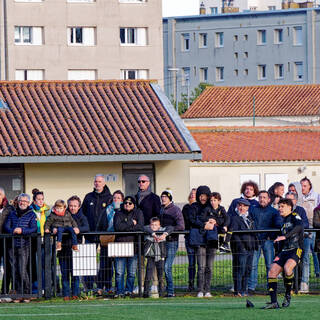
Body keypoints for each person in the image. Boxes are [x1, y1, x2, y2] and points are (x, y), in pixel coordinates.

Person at [262, 198, 304, 309]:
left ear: (290, 207)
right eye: (279, 206)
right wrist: (278, 253)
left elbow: (300, 226)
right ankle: (274, 302)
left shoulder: (295, 216)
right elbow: (281, 241)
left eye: (282, 206)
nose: (280, 208)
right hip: (284, 251)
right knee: (272, 272)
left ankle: (288, 294)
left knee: (287, 268)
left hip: (295, 249)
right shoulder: (282, 222)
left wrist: (285, 236)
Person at [248, 190, 282, 294]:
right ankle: (251, 287)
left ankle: (270, 287)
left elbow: (278, 224)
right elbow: (250, 222)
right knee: (253, 264)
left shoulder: (274, 211)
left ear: (269, 199)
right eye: (260, 197)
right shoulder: (253, 210)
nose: (262, 199)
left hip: (268, 241)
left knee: (270, 264)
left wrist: (271, 235)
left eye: (264, 197)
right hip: (256, 240)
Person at [4, 193, 37, 298]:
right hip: (11, 245)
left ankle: (27, 293)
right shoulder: (12, 213)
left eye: (25, 201)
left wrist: (22, 230)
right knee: (14, 271)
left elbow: (33, 229)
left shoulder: (32, 214)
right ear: (18, 202)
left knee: (22, 270)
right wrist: (13, 230)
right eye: (21, 201)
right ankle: (18, 294)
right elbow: (6, 226)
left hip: (24, 245)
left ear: (28, 203)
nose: (23, 203)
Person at [58, 196, 89, 300]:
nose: (72, 208)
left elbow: (87, 227)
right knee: (65, 273)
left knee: (75, 273)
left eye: (75, 206)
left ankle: (75, 294)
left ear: (79, 206)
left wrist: (79, 229)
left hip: (76, 250)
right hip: (63, 249)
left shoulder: (82, 217)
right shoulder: (62, 215)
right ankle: (66, 294)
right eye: (70, 205)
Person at [189, 185, 216, 298]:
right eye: (200, 195)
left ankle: (208, 290)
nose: (202, 198)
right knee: (201, 267)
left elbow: (222, 218)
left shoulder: (213, 205)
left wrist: (215, 221)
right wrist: (204, 225)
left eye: (204, 195)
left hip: (212, 239)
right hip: (199, 240)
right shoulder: (193, 207)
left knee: (209, 267)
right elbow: (192, 220)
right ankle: (200, 290)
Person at [114, 196, 144, 297]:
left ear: (134, 205)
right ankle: (119, 291)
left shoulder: (138, 213)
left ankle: (128, 290)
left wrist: (125, 226)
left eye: (130, 203)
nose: (127, 204)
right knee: (119, 272)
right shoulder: (118, 213)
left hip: (133, 246)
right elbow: (118, 227)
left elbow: (140, 227)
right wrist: (131, 223)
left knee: (131, 272)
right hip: (120, 245)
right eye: (126, 203)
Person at [96, 190, 124, 295]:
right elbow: (100, 225)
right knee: (104, 265)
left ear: (122, 199)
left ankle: (114, 288)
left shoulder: (124, 210)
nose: (116, 199)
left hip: (119, 241)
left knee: (118, 267)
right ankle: (100, 287)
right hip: (107, 240)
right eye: (115, 197)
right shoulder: (106, 210)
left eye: (118, 198)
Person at [159, 190, 185, 297]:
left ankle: (170, 291)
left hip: (171, 241)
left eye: (165, 196)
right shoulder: (161, 210)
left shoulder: (176, 210)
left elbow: (181, 226)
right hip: (161, 242)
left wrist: (168, 230)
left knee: (167, 267)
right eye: (162, 196)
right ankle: (162, 290)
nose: (163, 198)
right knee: (161, 266)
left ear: (170, 198)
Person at [229, 198, 258, 297]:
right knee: (239, 269)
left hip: (250, 248)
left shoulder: (250, 218)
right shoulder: (234, 218)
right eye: (240, 205)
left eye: (244, 206)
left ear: (247, 207)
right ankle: (238, 290)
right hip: (241, 249)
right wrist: (241, 246)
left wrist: (255, 245)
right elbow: (234, 234)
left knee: (247, 270)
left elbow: (254, 232)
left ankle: (244, 290)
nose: (241, 208)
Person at [143, 217, 173, 298]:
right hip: (151, 256)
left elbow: (171, 227)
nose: (153, 226)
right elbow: (143, 227)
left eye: (156, 225)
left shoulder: (163, 230)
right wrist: (153, 234)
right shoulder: (147, 230)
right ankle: (145, 293)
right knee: (148, 275)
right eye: (152, 225)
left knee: (160, 275)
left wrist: (164, 234)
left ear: (159, 226)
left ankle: (161, 293)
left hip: (160, 256)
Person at [299, 176, 320, 292]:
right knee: (305, 256)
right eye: (301, 185)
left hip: (313, 228)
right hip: (302, 229)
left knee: (314, 254)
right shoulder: (299, 198)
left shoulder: (316, 196)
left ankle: (310, 279)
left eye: (305, 186)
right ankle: (304, 282)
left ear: (310, 186)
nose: (302, 188)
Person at [30, 188, 50, 294]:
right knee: (36, 266)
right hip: (34, 241)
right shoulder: (30, 210)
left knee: (45, 265)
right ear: (34, 201)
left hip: (46, 241)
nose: (41, 201)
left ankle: (46, 287)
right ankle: (36, 288)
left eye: (42, 199)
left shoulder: (47, 210)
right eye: (38, 199)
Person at [182, 188, 197, 291]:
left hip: (200, 237)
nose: (192, 195)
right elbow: (185, 221)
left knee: (201, 263)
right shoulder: (186, 207)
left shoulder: (201, 207)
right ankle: (191, 284)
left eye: (194, 194)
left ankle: (201, 284)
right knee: (191, 262)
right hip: (189, 237)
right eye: (191, 194)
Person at [0, 187, 13, 294]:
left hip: (7, 241)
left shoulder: (10, 208)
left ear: (3, 196)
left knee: (8, 267)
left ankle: (5, 290)